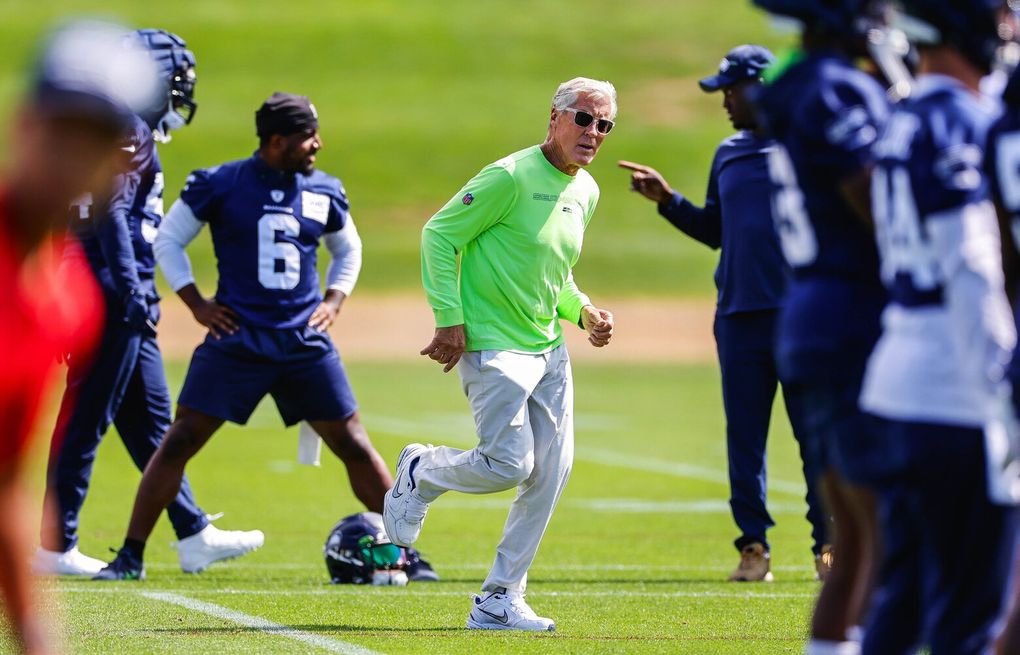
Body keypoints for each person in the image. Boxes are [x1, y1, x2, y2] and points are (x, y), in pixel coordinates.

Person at [94, 91, 435, 582]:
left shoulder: (324, 189)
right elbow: (169, 238)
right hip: (239, 339)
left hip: (302, 341)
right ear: (277, 141)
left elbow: (348, 249)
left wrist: (334, 300)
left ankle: (408, 553)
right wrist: (196, 303)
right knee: (180, 440)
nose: (317, 145)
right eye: (306, 137)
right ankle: (130, 555)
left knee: (354, 444)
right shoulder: (221, 184)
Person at [383, 77, 616, 632]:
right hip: (494, 345)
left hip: (549, 349)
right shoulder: (509, 176)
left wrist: (582, 311)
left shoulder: (586, 191)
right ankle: (422, 471)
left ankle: (499, 598)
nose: (593, 133)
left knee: (551, 473)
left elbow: (552, 274)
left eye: (604, 125)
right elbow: (440, 234)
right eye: (584, 119)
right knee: (510, 464)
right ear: (554, 117)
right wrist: (449, 319)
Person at [35, 28, 263, 579]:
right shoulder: (129, 128)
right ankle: (54, 544)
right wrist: (132, 287)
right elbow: (111, 211)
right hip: (113, 288)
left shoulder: (108, 128)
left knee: (152, 423)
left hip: (107, 281)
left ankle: (192, 531)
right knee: (87, 417)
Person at [619, 44, 829, 583]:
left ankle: (828, 547)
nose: (725, 103)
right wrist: (668, 201)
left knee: (816, 438)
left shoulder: (807, 148)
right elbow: (717, 232)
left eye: (730, 92)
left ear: (760, 87)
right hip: (739, 320)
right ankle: (753, 547)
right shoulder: (728, 154)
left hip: (801, 318)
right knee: (745, 440)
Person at [861, 1, 1018, 651]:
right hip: (957, 387)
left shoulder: (899, 116)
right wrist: (1002, 374)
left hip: (896, 377)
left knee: (900, 599)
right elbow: (971, 264)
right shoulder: (960, 119)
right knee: (969, 611)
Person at [0, 20, 160, 653]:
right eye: (60, 129)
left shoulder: (69, 302)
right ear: (24, 124)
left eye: (95, 138)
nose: (73, 155)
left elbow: (7, 485)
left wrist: (38, 637)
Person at [750, 0, 891, 651]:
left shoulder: (795, 81)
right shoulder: (834, 88)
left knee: (860, 536)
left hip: (817, 312)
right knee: (885, 528)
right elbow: (886, 207)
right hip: (857, 319)